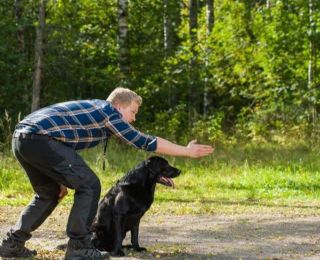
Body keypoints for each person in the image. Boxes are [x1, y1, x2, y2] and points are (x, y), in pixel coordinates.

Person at [0, 87, 214, 259]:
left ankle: (12, 244)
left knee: (50, 193)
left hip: (22, 138)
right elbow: (145, 141)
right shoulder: (108, 112)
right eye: (133, 112)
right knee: (90, 185)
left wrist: (59, 179)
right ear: (119, 105)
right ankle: (79, 247)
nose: (133, 119)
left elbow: (62, 141)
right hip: (39, 139)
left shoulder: (94, 111)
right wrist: (186, 151)